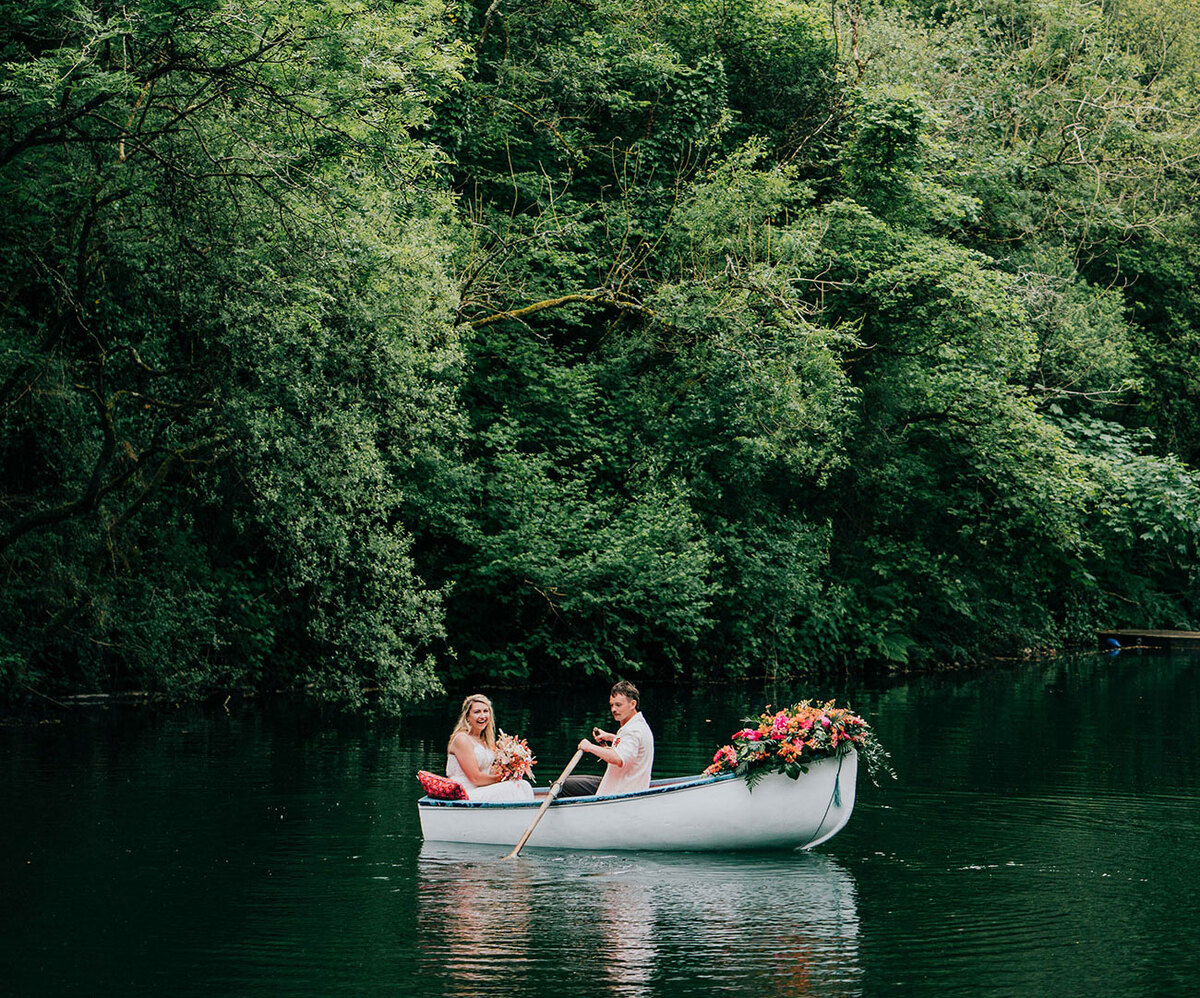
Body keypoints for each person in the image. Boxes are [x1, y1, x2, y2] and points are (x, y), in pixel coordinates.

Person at [559, 680, 654, 798]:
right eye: (612, 705)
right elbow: (631, 746)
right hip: (624, 785)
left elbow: (619, 758)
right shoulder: (639, 725)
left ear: (633, 704)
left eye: (618, 705)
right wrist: (610, 737)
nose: (613, 709)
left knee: (561, 786)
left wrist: (590, 747)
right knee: (564, 783)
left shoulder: (632, 731)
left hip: (622, 791)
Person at [446, 693, 534, 802]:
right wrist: (501, 779)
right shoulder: (462, 739)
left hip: (482, 788)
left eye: (485, 711)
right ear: (467, 717)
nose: (482, 716)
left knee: (523, 785)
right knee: (514, 787)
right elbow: (475, 778)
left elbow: (488, 772)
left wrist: (510, 768)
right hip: (465, 793)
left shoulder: (485, 741)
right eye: (477, 712)